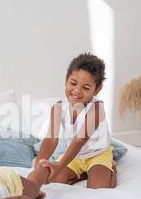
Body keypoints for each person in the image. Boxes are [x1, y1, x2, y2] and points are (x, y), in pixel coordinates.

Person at [36, 53, 117, 189]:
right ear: (66, 81)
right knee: (54, 182)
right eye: (73, 83)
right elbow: (51, 139)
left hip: (97, 154)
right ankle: (81, 174)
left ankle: (112, 167)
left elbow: (79, 140)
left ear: (97, 90)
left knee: (99, 188)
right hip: (74, 156)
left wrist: (59, 166)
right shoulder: (58, 107)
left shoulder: (96, 109)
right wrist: (40, 162)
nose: (77, 90)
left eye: (86, 88)